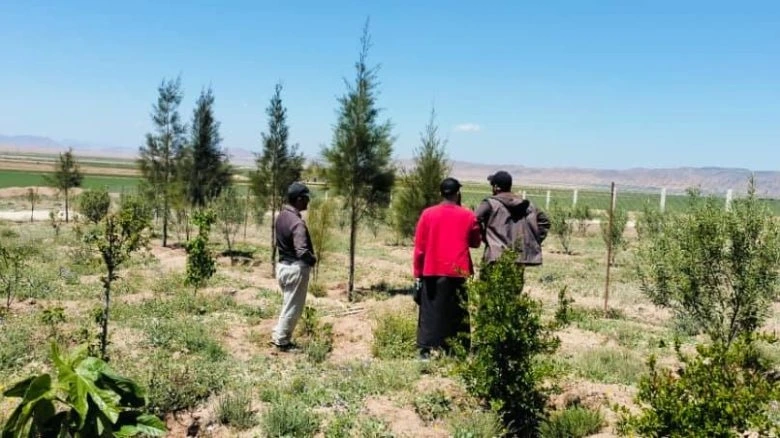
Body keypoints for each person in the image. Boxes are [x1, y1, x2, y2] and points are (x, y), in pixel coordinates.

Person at [413, 178, 482, 359]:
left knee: (430, 312)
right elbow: (476, 242)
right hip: (458, 270)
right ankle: (457, 350)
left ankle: (426, 350)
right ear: (458, 193)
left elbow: (420, 248)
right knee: (457, 312)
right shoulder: (468, 215)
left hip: (432, 269)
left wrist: (417, 274)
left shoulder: (428, 214)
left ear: (441, 193)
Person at [270, 182, 317, 351]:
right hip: (295, 270)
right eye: (306, 198)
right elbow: (301, 250)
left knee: (288, 304)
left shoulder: (281, 216)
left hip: (282, 267)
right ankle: (282, 342)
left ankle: (278, 334)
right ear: (298, 199)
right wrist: (312, 260)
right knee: (293, 308)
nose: (308, 201)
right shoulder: (297, 223)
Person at [475, 170, 550, 267]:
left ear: (496, 187)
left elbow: (474, 220)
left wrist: (484, 236)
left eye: (492, 185)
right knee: (514, 277)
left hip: (495, 255)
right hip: (519, 257)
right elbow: (544, 222)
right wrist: (531, 241)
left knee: (492, 277)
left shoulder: (490, 204)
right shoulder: (527, 205)